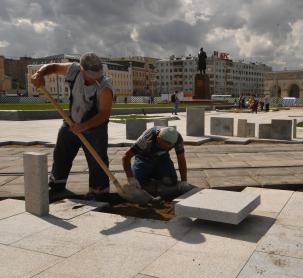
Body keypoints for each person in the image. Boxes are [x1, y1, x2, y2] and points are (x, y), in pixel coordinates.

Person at [30, 52, 113, 199]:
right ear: (81, 69)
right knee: (61, 153)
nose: (94, 78)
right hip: (71, 122)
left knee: (97, 161)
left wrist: (85, 126)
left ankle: (99, 192)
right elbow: (53, 67)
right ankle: (57, 185)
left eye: (96, 75)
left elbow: (104, 114)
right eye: (90, 75)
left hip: (95, 128)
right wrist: (40, 74)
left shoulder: (105, 87)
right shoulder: (74, 70)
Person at [122, 126, 188, 199]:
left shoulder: (177, 138)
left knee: (170, 181)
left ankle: (156, 183)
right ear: (158, 138)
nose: (168, 147)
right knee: (138, 183)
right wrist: (130, 178)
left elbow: (181, 159)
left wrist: (184, 181)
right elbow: (126, 157)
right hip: (144, 158)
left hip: (163, 159)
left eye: (170, 146)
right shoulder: (147, 138)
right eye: (165, 146)